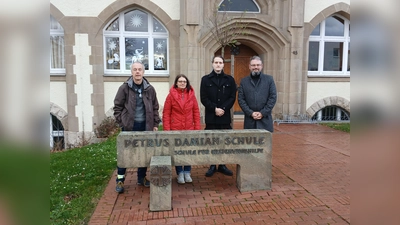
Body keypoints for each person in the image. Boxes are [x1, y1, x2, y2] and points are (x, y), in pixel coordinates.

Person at [113, 61, 161, 193]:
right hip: (129, 127)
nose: (137, 72)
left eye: (140, 69)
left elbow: (155, 107)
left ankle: (141, 177)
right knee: (125, 154)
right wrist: (122, 122)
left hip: (145, 126)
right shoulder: (124, 88)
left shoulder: (150, 89)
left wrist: (155, 124)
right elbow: (117, 107)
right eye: (135, 69)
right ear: (131, 72)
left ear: (143, 72)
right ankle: (120, 180)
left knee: (144, 153)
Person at [200, 55, 237, 177]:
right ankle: (212, 165)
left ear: (223, 64)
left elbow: (232, 97)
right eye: (216, 62)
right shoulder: (205, 79)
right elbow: (203, 98)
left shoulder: (230, 80)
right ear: (212, 64)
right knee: (211, 141)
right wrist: (214, 108)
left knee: (223, 142)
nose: (218, 64)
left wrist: (223, 109)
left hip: (225, 117)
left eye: (220, 62)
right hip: (211, 116)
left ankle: (222, 165)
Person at [163, 74, 201, 184]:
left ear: (187, 83)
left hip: (189, 127)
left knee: (189, 150)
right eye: (180, 81)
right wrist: (167, 129)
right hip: (175, 128)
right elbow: (166, 113)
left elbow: (196, 112)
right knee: (177, 151)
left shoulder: (192, 95)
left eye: (184, 81)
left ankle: (187, 172)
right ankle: (180, 172)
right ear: (176, 83)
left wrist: (197, 128)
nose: (182, 83)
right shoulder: (171, 96)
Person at [238, 56, 277, 132]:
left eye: (258, 65)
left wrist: (262, 113)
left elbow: (273, 97)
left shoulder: (269, 80)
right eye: (253, 65)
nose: (256, 67)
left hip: (265, 120)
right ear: (249, 66)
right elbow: (241, 99)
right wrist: (251, 113)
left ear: (261, 66)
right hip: (250, 121)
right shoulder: (244, 81)